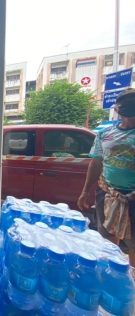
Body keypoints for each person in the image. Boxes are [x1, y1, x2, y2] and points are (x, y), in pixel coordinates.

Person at [77, 88, 135, 267]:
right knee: (108, 239)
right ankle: (112, 276)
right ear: (117, 108)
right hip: (107, 194)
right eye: (125, 103)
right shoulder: (105, 134)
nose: (129, 107)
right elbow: (96, 163)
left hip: (133, 198)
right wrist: (85, 191)